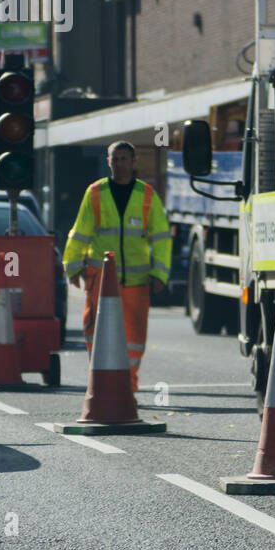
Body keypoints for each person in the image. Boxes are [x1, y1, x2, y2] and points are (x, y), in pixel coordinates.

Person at [62, 141, 171, 392]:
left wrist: (159, 273)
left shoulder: (147, 195)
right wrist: (74, 267)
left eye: (124, 159)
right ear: (108, 161)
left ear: (133, 163)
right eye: (115, 159)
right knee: (96, 332)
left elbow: (161, 237)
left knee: (133, 337)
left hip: (136, 280)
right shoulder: (95, 193)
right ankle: (100, 383)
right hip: (100, 277)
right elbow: (80, 233)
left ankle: (127, 389)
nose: (119, 163)